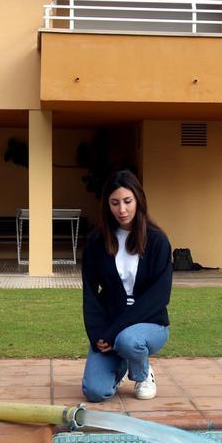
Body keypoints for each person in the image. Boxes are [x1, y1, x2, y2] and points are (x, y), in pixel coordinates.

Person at [81, 170, 173, 402]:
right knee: (95, 392)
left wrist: (114, 333)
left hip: (150, 324)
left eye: (127, 201)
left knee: (129, 340)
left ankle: (142, 373)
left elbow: (159, 297)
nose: (122, 209)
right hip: (111, 327)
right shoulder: (96, 242)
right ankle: (122, 363)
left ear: (138, 200)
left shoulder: (157, 241)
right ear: (107, 205)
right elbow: (90, 294)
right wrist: (98, 334)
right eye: (114, 203)